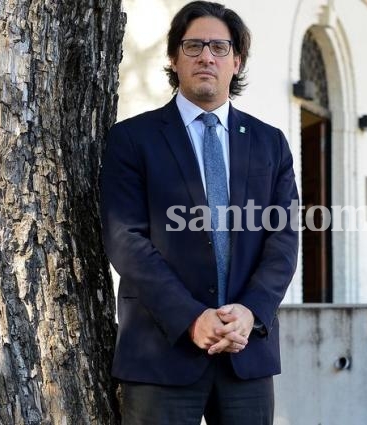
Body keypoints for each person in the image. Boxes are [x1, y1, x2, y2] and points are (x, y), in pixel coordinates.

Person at [99, 2, 299, 424]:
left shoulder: (271, 144)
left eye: (219, 47)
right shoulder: (132, 140)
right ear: (174, 58)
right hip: (161, 354)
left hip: (247, 353)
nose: (206, 56)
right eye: (193, 46)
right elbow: (126, 240)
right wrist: (191, 318)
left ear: (236, 61)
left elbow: (283, 241)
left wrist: (251, 312)